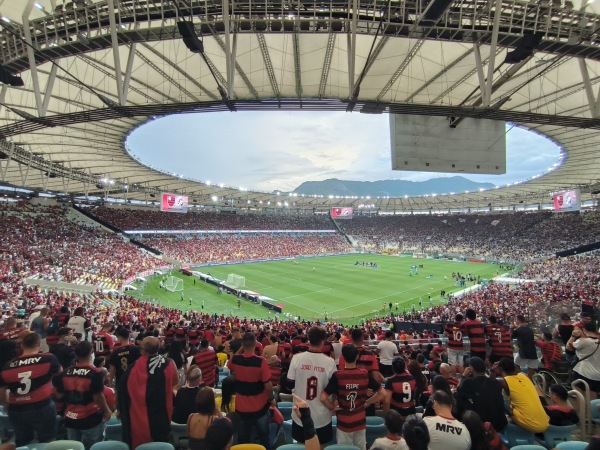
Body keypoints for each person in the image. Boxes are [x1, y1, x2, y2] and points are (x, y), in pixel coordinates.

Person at [0, 332, 62, 447]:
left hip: (16, 409)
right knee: (47, 440)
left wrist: (6, 404)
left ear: (22, 346)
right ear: (38, 344)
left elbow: (2, 392)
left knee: (22, 442)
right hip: (42, 406)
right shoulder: (48, 358)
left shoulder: (7, 366)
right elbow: (59, 371)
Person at [117, 336, 180, 449]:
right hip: (162, 419)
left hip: (137, 423)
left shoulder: (131, 369)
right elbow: (176, 387)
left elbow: (122, 394)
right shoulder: (169, 364)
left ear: (142, 350)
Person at [321, 344, 385, 450]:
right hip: (360, 421)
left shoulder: (338, 375)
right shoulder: (364, 374)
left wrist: (332, 407)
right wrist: (367, 402)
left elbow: (323, 398)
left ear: (343, 357)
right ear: (357, 357)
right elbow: (382, 393)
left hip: (343, 423)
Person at [54, 340, 112, 450]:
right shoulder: (96, 373)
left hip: (70, 417)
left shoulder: (66, 372)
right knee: (94, 446)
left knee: (74, 447)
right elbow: (98, 397)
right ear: (91, 352)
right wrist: (107, 410)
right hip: (90, 418)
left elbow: (59, 395)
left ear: (76, 354)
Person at [287, 326, 337, 447]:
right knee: (321, 446)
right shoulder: (330, 362)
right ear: (322, 342)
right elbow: (335, 389)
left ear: (309, 340)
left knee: (302, 446)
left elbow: (289, 385)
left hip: (301, 415)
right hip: (322, 417)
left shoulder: (296, 358)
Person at [228, 332, 274, 450]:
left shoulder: (237, 360)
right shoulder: (261, 361)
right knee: (264, 440)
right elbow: (268, 386)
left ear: (243, 344)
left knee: (243, 441)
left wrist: (241, 348)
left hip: (242, 409)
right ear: (255, 344)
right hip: (260, 409)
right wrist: (271, 399)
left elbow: (229, 364)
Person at [493, 357, 549, 434]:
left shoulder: (504, 381)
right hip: (545, 422)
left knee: (502, 402)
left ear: (500, 368)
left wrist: (492, 370)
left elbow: (489, 383)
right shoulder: (524, 376)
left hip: (532, 425)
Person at [455, 356, 507, 433]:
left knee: (457, 397)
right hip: (501, 423)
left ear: (471, 369)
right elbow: (486, 384)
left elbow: (458, 390)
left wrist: (463, 376)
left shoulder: (468, 382)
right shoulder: (495, 382)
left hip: (483, 424)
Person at [568, 322, 600, 399]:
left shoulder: (583, 341)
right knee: (593, 395)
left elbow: (568, 347)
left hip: (584, 372)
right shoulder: (598, 340)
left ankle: (582, 410)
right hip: (597, 374)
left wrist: (573, 336)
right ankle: (593, 410)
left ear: (584, 329)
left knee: (580, 395)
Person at [511, 315, 539, 379]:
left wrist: (511, 328)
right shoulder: (530, 329)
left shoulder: (518, 330)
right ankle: (529, 381)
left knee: (515, 365)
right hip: (533, 352)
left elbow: (510, 337)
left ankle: (523, 379)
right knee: (531, 369)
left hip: (523, 351)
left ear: (518, 321)